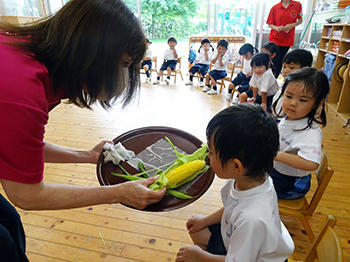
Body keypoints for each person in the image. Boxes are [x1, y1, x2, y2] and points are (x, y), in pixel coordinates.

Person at [0, 0, 166, 260]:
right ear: (93, 53)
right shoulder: (21, 87)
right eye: (123, 64)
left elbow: (18, 144)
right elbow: (27, 195)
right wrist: (118, 193)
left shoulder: (43, 64)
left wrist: (85, 156)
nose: (124, 78)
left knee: (9, 224)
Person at [175, 104, 294, 262]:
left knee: (192, 253)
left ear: (236, 166)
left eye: (211, 153)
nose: (208, 158)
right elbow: (232, 206)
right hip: (234, 235)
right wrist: (205, 220)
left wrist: (200, 256)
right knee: (195, 227)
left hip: (251, 256)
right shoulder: (253, 180)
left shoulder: (252, 218)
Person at [270, 68, 329, 199]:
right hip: (278, 171)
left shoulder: (310, 133)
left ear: (317, 103)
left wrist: (278, 155)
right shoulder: (292, 118)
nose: (293, 103)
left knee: (249, 186)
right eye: (289, 96)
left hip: (291, 184)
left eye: (303, 100)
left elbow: (311, 164)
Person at [266, 0, 303, 78]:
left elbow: (300, 20)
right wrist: (277, 28)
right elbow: (270, 23)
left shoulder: (297, 5)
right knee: (274, 60)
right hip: (275, 38)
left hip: (287, 39)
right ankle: (270, 79)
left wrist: (291, 25)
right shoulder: (275, 8)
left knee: (281, 61)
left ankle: (273, 80)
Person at [272, 48, 313, 117]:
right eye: (284, 67)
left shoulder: (301, 89)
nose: (285, 70)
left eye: (291, 68)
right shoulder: (287, 83)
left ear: (305, 69)